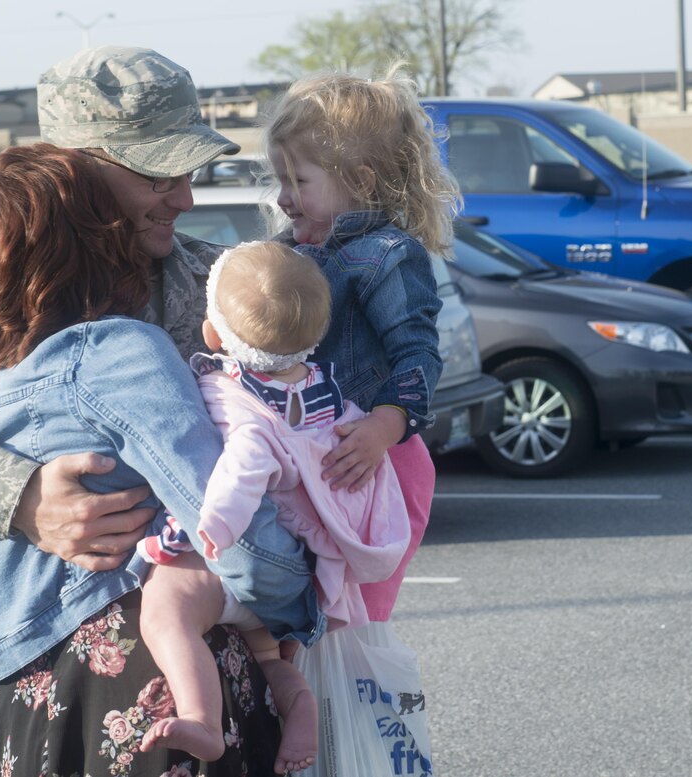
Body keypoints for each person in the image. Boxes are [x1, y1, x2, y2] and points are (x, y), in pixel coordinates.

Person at [0, 47, 323, 777]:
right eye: (156, 173)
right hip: (71, 667)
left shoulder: (222, 284)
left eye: (189, 171)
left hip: (231, 649)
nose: (184, 199)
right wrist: (15, 495)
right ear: (72, 166)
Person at [137, 240, 411, 772]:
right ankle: (299, 702)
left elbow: (243, 469)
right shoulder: (329, 394)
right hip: (305, 569)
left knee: (166, 609)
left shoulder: (239, 402)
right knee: (267, 652)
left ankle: (200, 718)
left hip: (250, 557)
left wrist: (207, 527)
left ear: (213, 335)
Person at [259, 66, 461, 776]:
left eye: (299, 179)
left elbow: (416, 351)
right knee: (304, 627)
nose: (283, 197)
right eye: (279, 178)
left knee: (349, 627)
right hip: (326, 466)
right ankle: (318, 739)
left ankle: (353, 747)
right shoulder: (293, 252)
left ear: (363, 181)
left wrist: (386, 423)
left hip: (380, 463)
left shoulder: (387, 255)